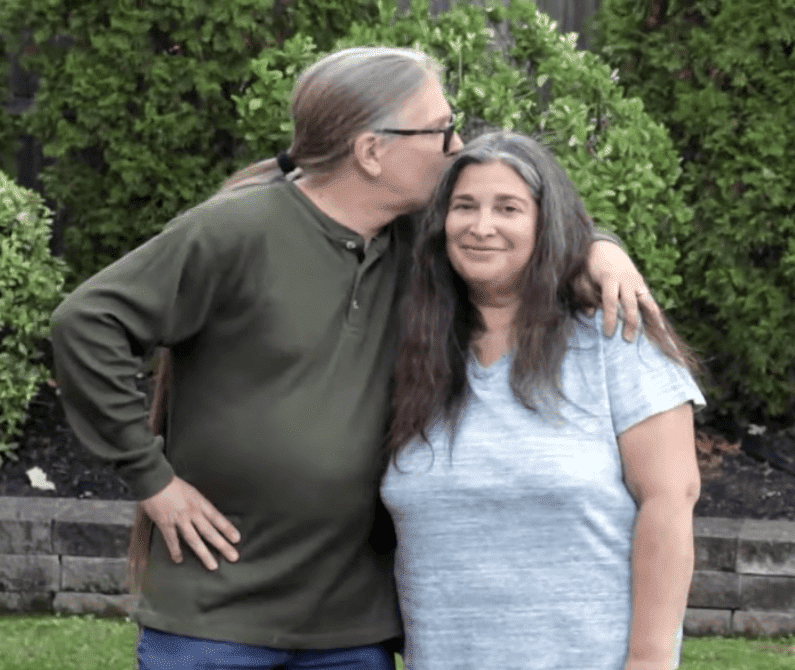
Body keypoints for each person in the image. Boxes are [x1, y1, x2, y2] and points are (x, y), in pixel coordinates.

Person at [51, 48, 662, 670]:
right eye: (440, 129)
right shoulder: (236, 231)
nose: (455, 146)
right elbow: (87, 323)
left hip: (351, 629)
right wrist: (152, 481)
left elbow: (519, 221)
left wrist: (599, 248)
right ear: (371, 152)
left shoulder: (423, 247)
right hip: (214, 612)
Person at [381, 131, 705, 670]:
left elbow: (670, 501)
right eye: (464, 206)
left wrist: (650, 661)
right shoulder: (415, 353)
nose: (481, 227)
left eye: (507, 208)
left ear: (544, 221)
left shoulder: (614, 337)